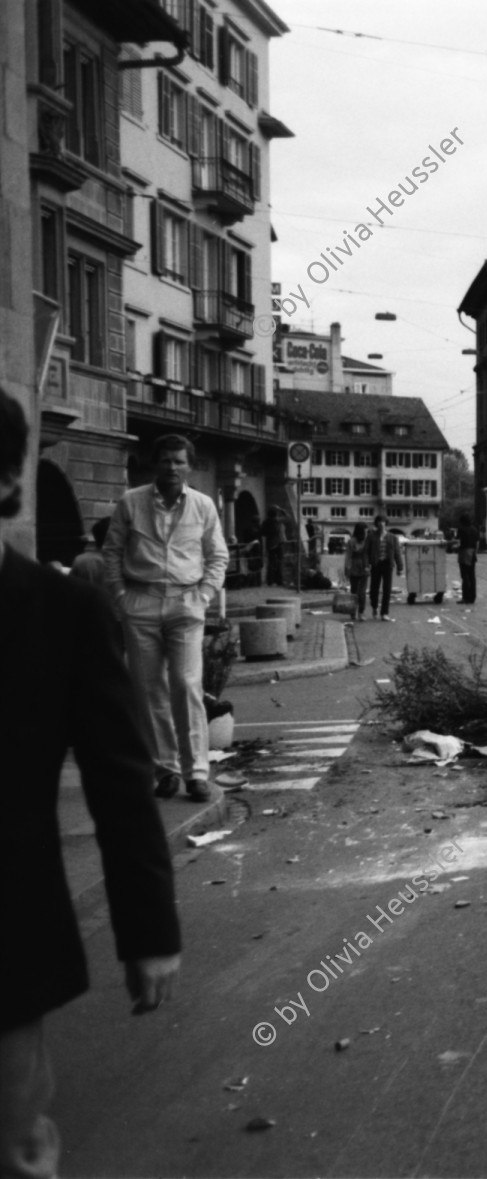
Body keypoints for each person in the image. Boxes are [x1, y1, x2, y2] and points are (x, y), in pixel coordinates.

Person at [0, 392, 183, 1179]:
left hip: (3, 944)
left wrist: (146, 928)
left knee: (12, 1139)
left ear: (8, 484)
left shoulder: (56, 610)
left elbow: (117, 773)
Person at [102, 434, 227, 802]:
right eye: (165, 461)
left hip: (186, 603)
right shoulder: (131, 502)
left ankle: (197, 774)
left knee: (186, 684)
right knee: (148, 689)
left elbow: (218, 556)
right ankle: (166, 769)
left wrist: (204, 597)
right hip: (140, 601)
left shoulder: (203, 505)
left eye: (179, 461)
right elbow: (111, 552)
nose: (172, 468)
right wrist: (122, 597)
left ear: (190, 466)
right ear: (154, 464)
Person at [369, 514, 404, 620]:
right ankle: (374, 606)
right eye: (379, 521)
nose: (381, 523)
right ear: (376, 524)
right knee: (374, 589)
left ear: (386, 523)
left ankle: (384, 613)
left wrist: (400, 567)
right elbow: (367, 551)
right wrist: (367, 564)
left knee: (387, 589)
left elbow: (397, 553)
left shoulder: (392, 537)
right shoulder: (371, 536)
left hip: (387, 565)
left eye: (383, 521)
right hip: (376, 564)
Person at [344, 523, 370, 619]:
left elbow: (348, 557)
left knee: (355, 591)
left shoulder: (352, 541)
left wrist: (347, 570)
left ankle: (354, 612)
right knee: (360, 592)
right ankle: (360, 613)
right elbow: (348, 557)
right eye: (365, 531)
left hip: (357, 567)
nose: (367, 533)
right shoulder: (357, 541)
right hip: (362, 567)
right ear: (361, 531)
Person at [456, 514, 479, 603]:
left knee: (465, 576)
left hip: (464, 553)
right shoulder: (474, 529)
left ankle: (466, 597)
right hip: (473, 553)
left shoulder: (461, 529)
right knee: (472, 576)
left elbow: (458, 542)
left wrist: (455, 547)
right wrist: (475, 553)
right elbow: (477, 543)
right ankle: (472, 597)